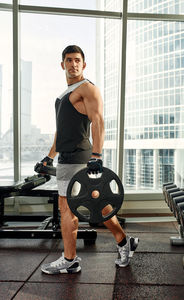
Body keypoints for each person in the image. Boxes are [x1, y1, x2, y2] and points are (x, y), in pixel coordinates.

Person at [40, 45, 139, 275]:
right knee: (97, 204)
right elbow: (61, 131)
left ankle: (70, 259)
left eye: (77, 60)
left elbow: (98, 121)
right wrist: (49, 156)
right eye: (68, 60)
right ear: (62, 64)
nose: (73, 64)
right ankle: (125, 242)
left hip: (79, 158)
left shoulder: (88, 89)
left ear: (84, 64)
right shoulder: (64, 94)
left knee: (67, 209)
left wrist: (97, 155)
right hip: (66, 158)